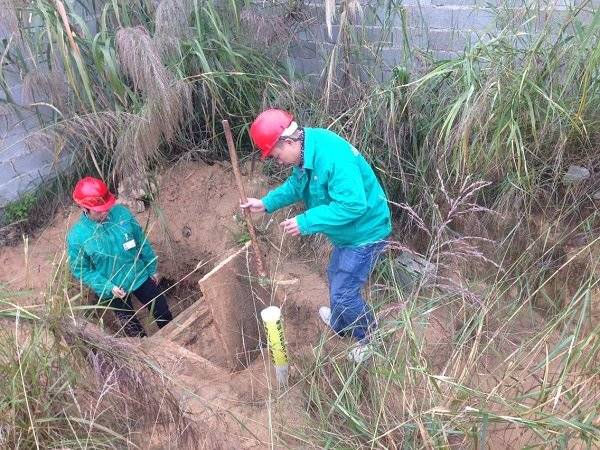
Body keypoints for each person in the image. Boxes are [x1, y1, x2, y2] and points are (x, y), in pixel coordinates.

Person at [241, 109, 392, 363]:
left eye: (277, 155)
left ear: (289, 142)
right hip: (348, 235)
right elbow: (296, 186)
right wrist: (265, 203)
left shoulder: (332, 156)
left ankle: (370, 339)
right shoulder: (304, 154)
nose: (278, 161)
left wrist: (306, 221)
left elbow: (353, 205)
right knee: (335, 276)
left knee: (344, 293)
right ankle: (341, 324)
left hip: (366, 232)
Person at [67, 176, 173, 337]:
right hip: (113, 288)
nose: (105, 212)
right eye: (98, 209)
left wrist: (152, 268)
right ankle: (146, 353)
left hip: (138, 274)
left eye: (106, 207)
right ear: (84, 208)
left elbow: (141, 241)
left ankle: (175, 340)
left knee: (162, 312)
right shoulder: (77, 237)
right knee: (133, 331)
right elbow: (81, 269)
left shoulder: (122, 213)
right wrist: (107, 287)